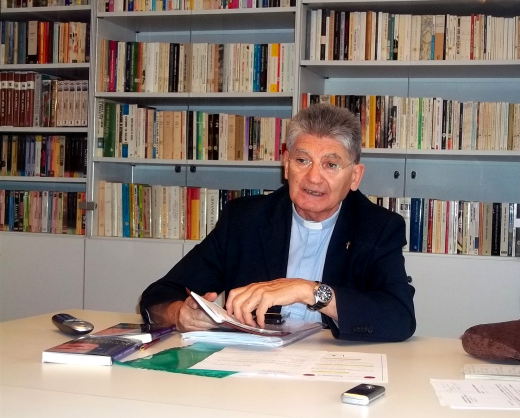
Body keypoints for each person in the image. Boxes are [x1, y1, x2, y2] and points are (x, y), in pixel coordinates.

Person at [139, 104, 416, 342]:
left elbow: (400, 317)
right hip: (253, 366)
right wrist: (180, 314)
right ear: (286, 164)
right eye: (302, 160)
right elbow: (158, 296)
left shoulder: (378, 227)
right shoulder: (245, 220)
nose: (313, 177)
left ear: (355, 176)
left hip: (334, 367)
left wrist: (307, 291)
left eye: (330, 165)